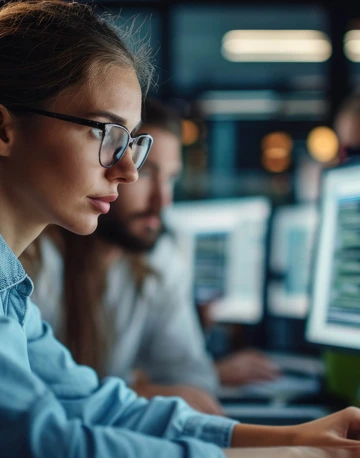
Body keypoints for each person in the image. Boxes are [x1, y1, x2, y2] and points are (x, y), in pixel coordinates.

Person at [1, 1, 360, 457]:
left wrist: (296, 436)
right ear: (4, 129)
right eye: (104, 133)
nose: (128, 170)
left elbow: (95, 407)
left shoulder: (11, 294)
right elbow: (47, 444)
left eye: (132, 142)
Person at [27, 96, 280, 417]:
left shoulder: (158, 260)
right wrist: (136, 391)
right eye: (146, 172)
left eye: (171, 179)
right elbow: (28, 405)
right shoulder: (33, 260)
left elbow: (192, 381)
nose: (162, 201)